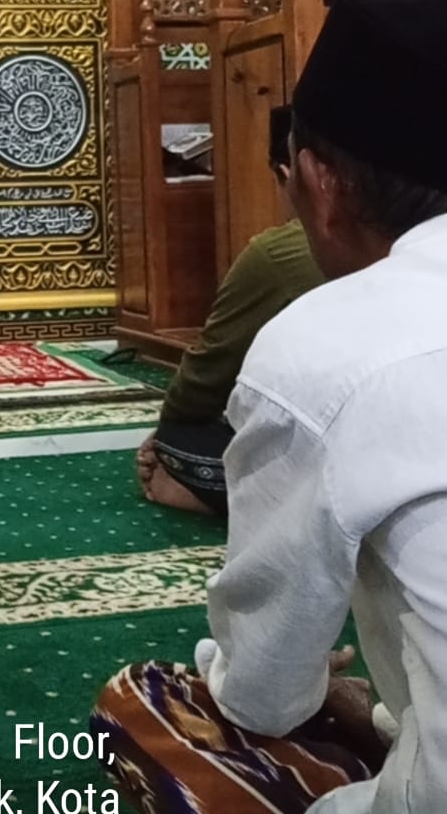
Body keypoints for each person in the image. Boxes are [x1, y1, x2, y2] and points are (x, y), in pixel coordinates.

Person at [93, 0, 447, 814]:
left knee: (147, 704)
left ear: (320, 182)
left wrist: (307, 691)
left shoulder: (326, 346)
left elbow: (262, 694)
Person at [136, 107, 323, 516]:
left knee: (183, 440)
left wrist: (165, 439)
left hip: (342, 456)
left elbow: (203, 381)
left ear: (293, 175)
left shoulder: (280, 252)